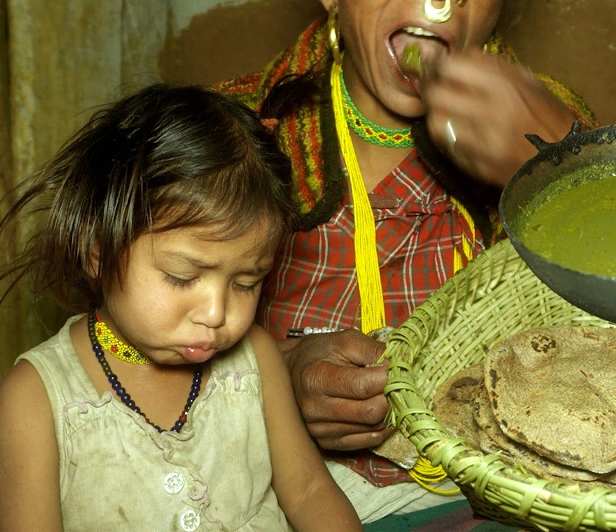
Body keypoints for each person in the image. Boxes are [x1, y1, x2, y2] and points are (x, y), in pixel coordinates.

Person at [212, 0, 596, 521]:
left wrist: (561, 172)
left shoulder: (552, 131)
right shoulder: (233, 134)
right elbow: (134, 335)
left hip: (489, 503)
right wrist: (277, 374)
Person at [0, 85, 361, 531]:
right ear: (98, 253)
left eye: (246, 283)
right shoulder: (36, 399)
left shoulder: (255, 362)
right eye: (182, 278)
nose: (215, 312)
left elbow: (309, 491)